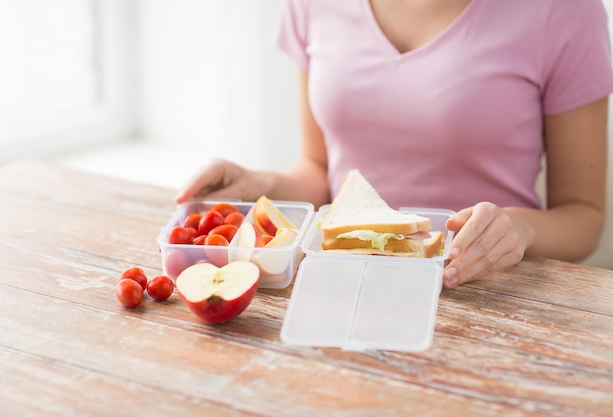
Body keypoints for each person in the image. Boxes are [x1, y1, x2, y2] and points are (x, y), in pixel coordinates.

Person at [175, 0, 613, 289]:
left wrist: (521, 229)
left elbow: (584, 218)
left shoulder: (565, 11)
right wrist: (259, 184)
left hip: (488, 294)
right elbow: (319, 169)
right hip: (345, 284)